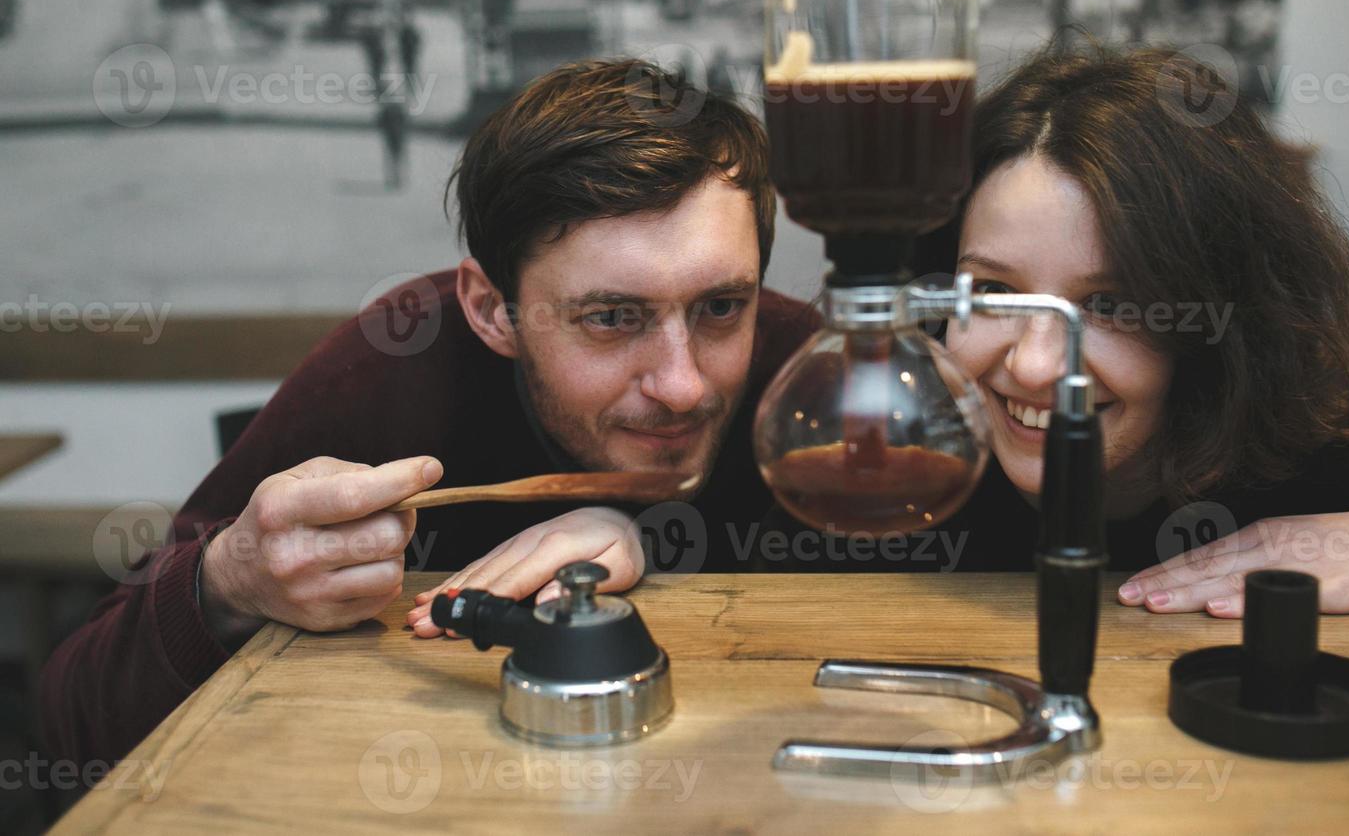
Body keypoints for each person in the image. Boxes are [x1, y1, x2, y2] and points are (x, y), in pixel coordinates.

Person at [41, 60, 819, 767]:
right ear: (492, 310)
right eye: (612, 318)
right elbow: (73, 725)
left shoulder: (819, 376)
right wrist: (231, 582)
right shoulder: (393, 366)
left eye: (722, 306)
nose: (683, 387)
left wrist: (642, 541)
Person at [914, 44, 1349, 616]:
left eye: (1109, 304)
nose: (1034, 367)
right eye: (993, 293)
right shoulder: (886, 460)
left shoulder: (1345, 421)